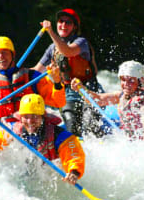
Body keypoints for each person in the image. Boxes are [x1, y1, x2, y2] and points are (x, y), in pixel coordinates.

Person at [32, 8, 105, 138]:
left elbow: (67, 51)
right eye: (61, 21)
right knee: (72, 127)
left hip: (89, 89)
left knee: (90, 126)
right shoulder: (52, 48)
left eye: (68, 23)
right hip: (69, 93)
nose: (63, 25)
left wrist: (50, 32)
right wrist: (16, 73)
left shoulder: (81, 42)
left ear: (74, 27)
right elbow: (36, 71)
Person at [0, 94, 85, 185]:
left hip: (49, 175)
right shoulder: (13, 130)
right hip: (24, 175)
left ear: (43, 116)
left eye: (34, 116)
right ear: (20, 117)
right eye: (25, 117)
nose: (30, 121)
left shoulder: (60, 135)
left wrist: (73, 172)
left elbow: (74, 156)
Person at [71, 61, 144, 145]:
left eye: (131, 80)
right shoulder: (121, 96)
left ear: (139, 81)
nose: (126, 84)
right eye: (123, 80)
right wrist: (81, 89)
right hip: (133, 142)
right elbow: (98, 100)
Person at [0, 36, 66, 123]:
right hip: (4, 128)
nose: (1, 56)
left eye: (4, 52)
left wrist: (57, 82)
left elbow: (58, 102)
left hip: (32, 124)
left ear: (13, 54)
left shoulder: (32, 76)